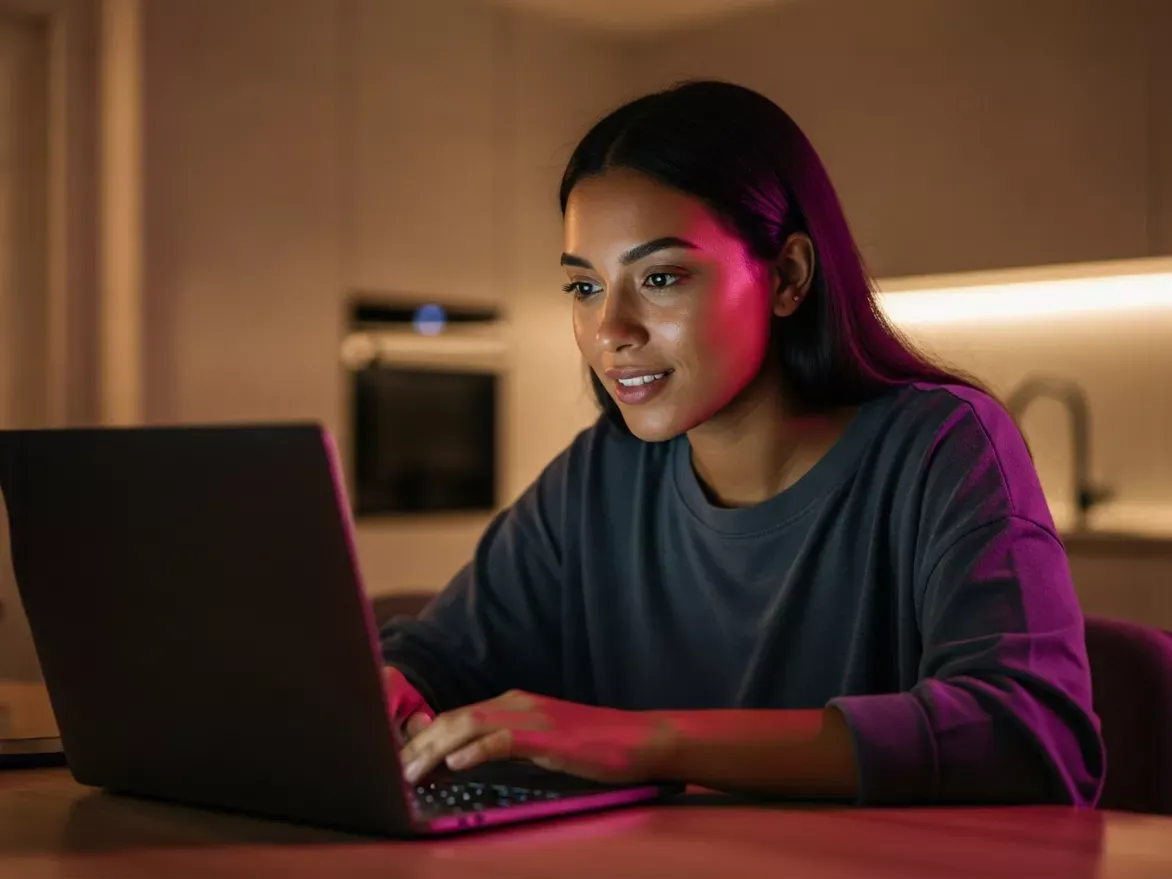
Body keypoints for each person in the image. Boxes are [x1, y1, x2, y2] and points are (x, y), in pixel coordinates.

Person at [380, 80, 1105, 806]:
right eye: (585, 288)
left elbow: (1031, 736)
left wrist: (650, 741)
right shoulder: (600, 476)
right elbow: (432, 659)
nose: (611, 331)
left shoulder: (943, 447)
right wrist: (387, 686)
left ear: (786, 276)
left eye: (660, 277)